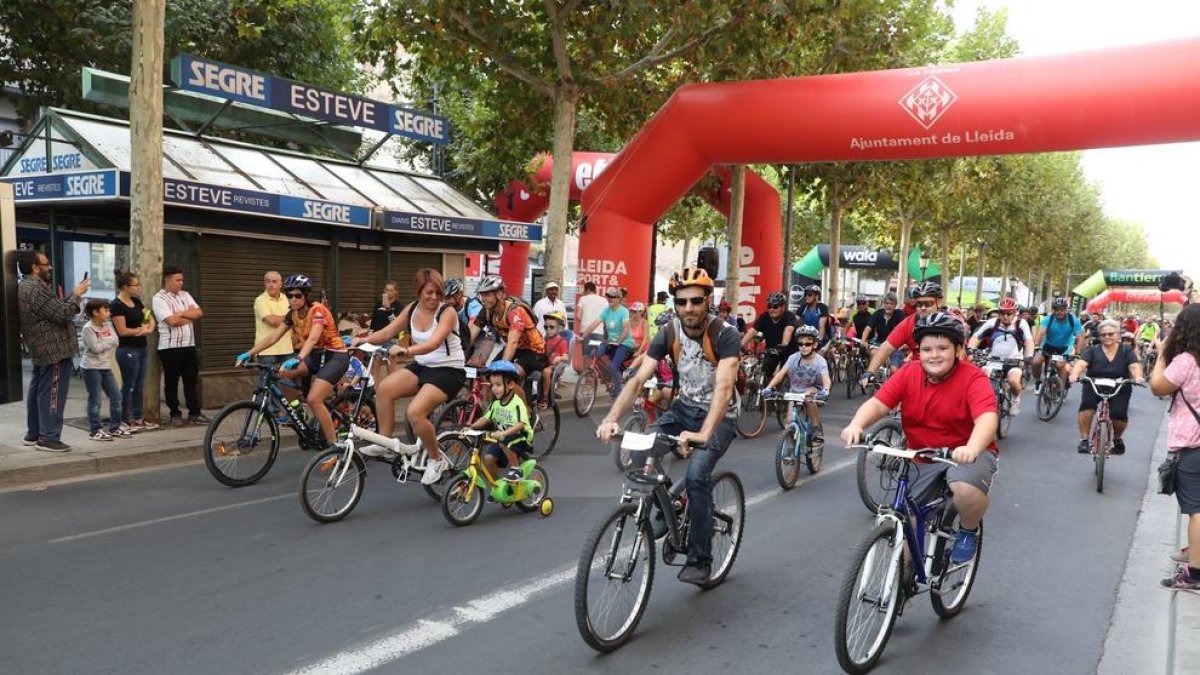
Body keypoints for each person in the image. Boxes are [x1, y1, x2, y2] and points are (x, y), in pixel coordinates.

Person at [596, 267, 741, 585]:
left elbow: (724, 387)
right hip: (684, 408)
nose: (689, 308)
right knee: (640, 450)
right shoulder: (669, 332)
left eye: (696, 301)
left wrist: (703, 434)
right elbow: (638, 380)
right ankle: (670, 504)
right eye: (682, 301)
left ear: (708, 301)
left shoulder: (725, 334)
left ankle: (700, 559)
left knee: (697, 476)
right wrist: (610, 419)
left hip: (720, 416)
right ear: (674, 303)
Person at [841, 312, 999, 565]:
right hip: (922, 454)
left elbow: (987, 418)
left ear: (958, 350)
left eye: (942, 348)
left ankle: (968, 530)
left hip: (965, 453)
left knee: (965, 488)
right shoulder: (909, 372)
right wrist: (856, 424)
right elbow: (879, 404)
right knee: (906, 521)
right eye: (926, 349)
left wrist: (972, 447)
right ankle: (902, 580)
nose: (934, 355)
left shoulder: (973, 378)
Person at [354, 269, 465, 484]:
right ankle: (385, 443)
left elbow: (433, 343)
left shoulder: (447, 312)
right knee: (384, 389)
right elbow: (387, 332)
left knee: (415, 413)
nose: (434, 297)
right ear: (419, 291)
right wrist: (363, 340)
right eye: (429, 292)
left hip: (449, 370)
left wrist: (406, 351)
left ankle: (436, 459)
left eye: (438, 293)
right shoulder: (412, 309)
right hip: (423, 366)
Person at [237, 274, 350, 449]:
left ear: (306, 296)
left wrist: (298, 358)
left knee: (314, 399)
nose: (293, 299)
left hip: (335, 355)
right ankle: (297, 411)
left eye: (298, 295)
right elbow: (273, 336)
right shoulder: (292, 314)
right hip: (315, 355)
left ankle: (334, 446)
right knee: (281, 373)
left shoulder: (318, 310)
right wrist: (249, 352)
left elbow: (313, 338)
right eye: (290, 296)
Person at [1149, 304, 1200, 586]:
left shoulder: (1187, 361)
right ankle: (1196, 550)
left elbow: (1158, 386)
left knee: (1196, 509)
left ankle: (1194, 574)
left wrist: (1161, 354)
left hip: (1193, 443)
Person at [18, 250, 89, 451]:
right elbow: (63, 314)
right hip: (53, 349)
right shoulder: (36, 288)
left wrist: (72, 296)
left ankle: (34, 433)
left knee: (38, 391)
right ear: (35, 268)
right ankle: (49, 437)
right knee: (52, 394)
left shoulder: (26, 286)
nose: (50, 267)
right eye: (46, 264)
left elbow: (54, 309)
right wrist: (77, 295)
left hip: (41, 348)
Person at [1069, 319, 1144, 454]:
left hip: (1119, 385)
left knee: (1119, 415)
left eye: (1111, 334)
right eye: (1103, 335)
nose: (1107, 337)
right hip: (1094, 383)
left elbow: (1134, 365)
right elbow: (1081, 363)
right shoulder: (1092, 350)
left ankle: (1117, 438)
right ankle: (1084, 440)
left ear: (1118, 335)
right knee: (1087, 407)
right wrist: (1074, 374)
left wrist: (1138, 377)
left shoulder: (1126, 350)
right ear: (1099, 336)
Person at [153, 267, 207, 426]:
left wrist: (181, 314)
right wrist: (188, 315)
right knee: (172, 382)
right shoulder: (159, 298)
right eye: (177, 280)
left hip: (189, 344)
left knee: (191, 381)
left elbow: (199, 312)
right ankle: (174, 413)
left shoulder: (185, 295)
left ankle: (194, 413)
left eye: (182, 280)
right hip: (170, 347)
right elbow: (172, 321)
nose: (181, 283)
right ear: (167, 279)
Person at [863, 281, 948, 380]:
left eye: (928, 304)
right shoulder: (908, 323)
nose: (923, 308)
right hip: (918, 374)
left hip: (945, 375)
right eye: (919, 304)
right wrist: (870, 372)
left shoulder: (951, 322)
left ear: (939, 302)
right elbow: (886, 347)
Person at [761, 325, 830, 443]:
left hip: (814, 390)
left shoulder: (820, 361)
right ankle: (791, 448)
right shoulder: (793, 358)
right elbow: (780, 374)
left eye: (807, 344)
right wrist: (769, 388)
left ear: (815, 345)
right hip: (795, 391)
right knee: (789, 420)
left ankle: (816, 428)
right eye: (800, 344)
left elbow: (826, 379)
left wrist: (826, 391)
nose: (803, 347)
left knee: (808, 397)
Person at [471, 275, 547, 382]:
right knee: (489, 375)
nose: (483, 299)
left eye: (487, 295)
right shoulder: (487, 311)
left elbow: (513, 342)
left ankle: (517, 392)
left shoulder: (514, 311)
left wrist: (502, 368)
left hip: (534, 350)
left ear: (499, 294)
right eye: (481, 295)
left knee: (507, 377)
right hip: (517, 348)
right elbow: (471, 334)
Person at [968, 297, 1035, 416]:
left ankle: (1015, 399)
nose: (1005, 316)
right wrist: (970, 350)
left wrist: (1029, 355)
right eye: (1002, 313)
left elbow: (1028, 341)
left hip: (1014, 360)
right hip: (993, 360)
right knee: (983, 380)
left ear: (1015, 313)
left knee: (1013, 381)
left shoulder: (1021, 323)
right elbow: (976, 337)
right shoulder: (992, 323)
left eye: (1009, 313)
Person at [110, 270, 158, 431]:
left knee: (139, 385)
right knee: (128, 385)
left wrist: (149, 328)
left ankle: (138, 418)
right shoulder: (116, 305)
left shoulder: (136, 302)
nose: (139, 288)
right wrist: (139, 330)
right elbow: (122, 331)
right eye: (136, 285)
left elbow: (148, 316)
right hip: (127, 349)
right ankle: (124, 418)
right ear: (125, 287)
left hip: (141, 347)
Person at [471, 360, 534, 480]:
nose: (494, 389)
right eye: (492, 385)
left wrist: (504, 433)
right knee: (488, 460)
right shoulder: (496, 404)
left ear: (510, 385)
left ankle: (516, 469)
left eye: (498, 385)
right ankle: (497, 486)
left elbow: (520, 424)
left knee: (504, 441)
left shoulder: (517, 403)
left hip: (522, 436)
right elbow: (485, 418)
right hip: (503, 438)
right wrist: (471, 427)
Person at [81, 299, 130, 441]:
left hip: (105, 366)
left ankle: (115, 426)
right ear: (95, 312)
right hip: (91, 367)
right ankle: (95, 429)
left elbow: (116, 340)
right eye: (105, 310)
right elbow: (95, 348)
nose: (109, 313)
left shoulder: (108, 324)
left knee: (116, 396)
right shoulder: (88, 328)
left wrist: (104, 341)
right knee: (95, 399)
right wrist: (108, 341)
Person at [1031, 296, 1084, 394]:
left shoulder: (1074, 320)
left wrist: (1077, 352)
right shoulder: (1048, 319)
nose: (1059, 312)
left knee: (1060, 365)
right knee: (1036, 362)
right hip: (1048, 345)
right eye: (1056, 309)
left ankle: (1061, 389)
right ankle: (1038, 382)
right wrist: (1037, 345)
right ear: (1053, 310)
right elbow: (1040, 333)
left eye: (1062, 309)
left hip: (1064, 347)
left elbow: (1080, 337)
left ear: (1066, 309)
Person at [741, 291, 797, 381]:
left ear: (783, 307)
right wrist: (740, 345)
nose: (771, 309)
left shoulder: (789, 316)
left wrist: (784, 344)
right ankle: (767, 387)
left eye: (775, 306)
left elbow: (789, 330)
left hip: (788, 351)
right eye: (769, 306)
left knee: (785, 372)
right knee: (764, 371)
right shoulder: (765, 317)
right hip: (772, 351)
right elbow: (752, 331)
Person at [253, 271, 294, 372]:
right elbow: (272, 321)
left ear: (280, 284)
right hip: (267, 351)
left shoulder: (287, 299)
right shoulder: (260, 300)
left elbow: (296, 319)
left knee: (288, 380)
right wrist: (291, 318)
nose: (271, 285)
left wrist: (292, 319)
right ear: (264, 283)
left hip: (287, 349)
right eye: (268, 282)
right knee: (269, 381)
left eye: (274, 281)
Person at [540, 312, 571, 409]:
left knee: (546, 372)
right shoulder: (544, 339)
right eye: (546, 327)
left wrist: (559, 358)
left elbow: (566, 357)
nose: (548, 330)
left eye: (551, 327)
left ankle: (545, 397)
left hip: (555, 366)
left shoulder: (562, 341)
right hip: (544, 363)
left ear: (560, 328)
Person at [576, 282, 608, 356]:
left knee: (586, 355)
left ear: (587, 289)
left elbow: (578, 316)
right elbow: (606, 317)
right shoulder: (604, 300)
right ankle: (593, 360)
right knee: (594, 354)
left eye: (584, 290)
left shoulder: (582, 299)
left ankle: (588, 362)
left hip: (585, 332)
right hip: (599, 332)